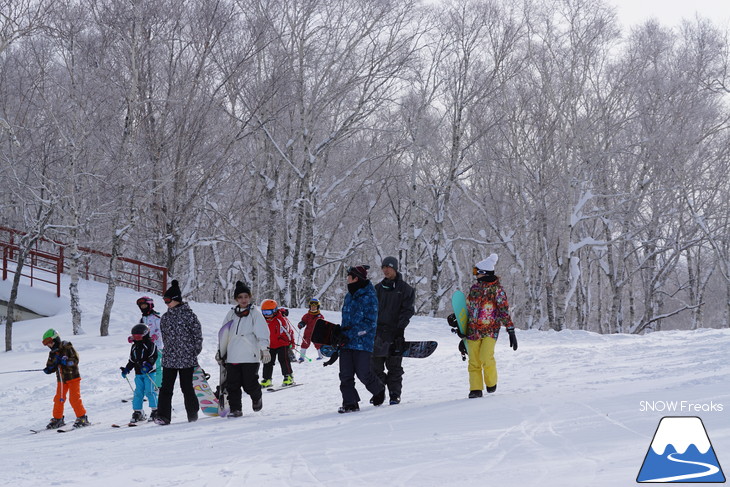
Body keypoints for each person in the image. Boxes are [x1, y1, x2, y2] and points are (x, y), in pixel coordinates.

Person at [461, 254, 518, 398]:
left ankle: (491, 382)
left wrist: (510, 329)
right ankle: (475, 389)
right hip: (473, 330)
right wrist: (459, 323)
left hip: (490, 330)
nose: (475, 275)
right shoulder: (474, 288)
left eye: (476, 272)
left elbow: (504, 310)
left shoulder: (497, 290)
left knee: (486, 357)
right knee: (473, 361)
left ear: (484, 273)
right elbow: (468, 308)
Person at [337, 265, 386, 413]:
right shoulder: (348, 296)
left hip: (362, 342)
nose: (346, 279)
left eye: (349, 276)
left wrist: (351, 334)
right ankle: (350, 403)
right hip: (346, 342)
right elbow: (346, 319)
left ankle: (378, 390)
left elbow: (370, 323)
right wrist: (339, 333)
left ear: (356, 278)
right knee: (345, 375)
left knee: (363, 373)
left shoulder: (369, 297)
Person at [217, 281, 270, 417]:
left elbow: (262, 332)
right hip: (233, 355)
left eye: (246, 296)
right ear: (236, 299)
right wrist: (220, 352)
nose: (243, 300)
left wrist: (265, 349)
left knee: (249, 384)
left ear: (250, 297)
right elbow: (224, 334)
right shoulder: (231, 314)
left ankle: (256, 396)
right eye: (240, 297)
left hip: (249, 355)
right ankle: (236, 409)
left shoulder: (255, 314)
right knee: (232, 384)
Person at [154, 280, 203, 424]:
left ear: (176, 299)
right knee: (165, 388)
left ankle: (192, 414)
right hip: (170, 359)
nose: (166, 303)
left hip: (186, 359)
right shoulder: (165, 318)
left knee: (187, 388)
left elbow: (198, 336)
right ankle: (163, 416)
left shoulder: (189, 316)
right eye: (164, 300)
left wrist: (193, 352)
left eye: (168, 300)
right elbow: (165, 337)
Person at [372, 256, 415, 405]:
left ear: (395, 268)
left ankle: (394, 395)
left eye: (388, 267)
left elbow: (407, 311)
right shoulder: (376, 289)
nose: (385, 270)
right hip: (377, 335)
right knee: (374, 367)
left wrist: (400, 329)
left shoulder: (406, 289)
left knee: (394, 367)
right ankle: (379, 391)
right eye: (383, 267)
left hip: (395, 334)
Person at [41, 328, 90, 429]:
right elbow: (51, 365)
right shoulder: (52, 353)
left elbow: (75, 360)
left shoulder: (66, 346)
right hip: (62, 379)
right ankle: (58, 418)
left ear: (55, 340)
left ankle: (82, 417)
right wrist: (49, 368)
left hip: (73, 377)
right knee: (58, 399)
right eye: (47, 344)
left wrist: (66, 362)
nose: (49, 345)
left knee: (74, 398)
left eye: (49, 342)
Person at [120, 323, 159, 423]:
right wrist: (127, 369)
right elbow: (132, 360)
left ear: (145, 335)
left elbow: (153, 357)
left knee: (150, 391)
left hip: (149, 373)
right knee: (138, 392)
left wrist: (148, 366)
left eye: (138, 336)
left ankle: (156, 410)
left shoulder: (150, 345)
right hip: (138, 373)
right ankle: (138, 412)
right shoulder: (134, 347)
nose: (136, 339)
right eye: (134, 336)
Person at [259, 299, 295, 388]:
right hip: (270, 344)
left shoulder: (280, 320)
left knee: (283, 359)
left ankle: (288, 376)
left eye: (268, 312)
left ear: (274, 311)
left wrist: (291, 342)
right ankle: (267, 379)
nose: (267, 315)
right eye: (264, 312)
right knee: (267, 361)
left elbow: (289, 331)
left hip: (282, 343)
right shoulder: (262, 320)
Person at [136, 296, 164, 388]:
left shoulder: (156, 318)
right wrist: (134, 337)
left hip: (157, 346)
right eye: (142, 306)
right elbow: (139, 330)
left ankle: (158, 385)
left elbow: (162, 330)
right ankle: (148, 386)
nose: (143, 308)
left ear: (150, 305)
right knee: (146, 366)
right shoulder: (142, 319)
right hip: (146, 347)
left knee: (157, 366)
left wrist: (156, 335)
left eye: (145, 305)